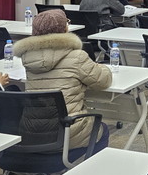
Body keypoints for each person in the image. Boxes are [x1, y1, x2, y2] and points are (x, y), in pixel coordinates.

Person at [14, 9, 112, 149]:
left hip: (33, 132)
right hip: (69, 131)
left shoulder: (28, 58)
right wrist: (104, 68)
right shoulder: (77, 56)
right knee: (102, 129)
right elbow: (103, 81)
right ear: (64, 28)